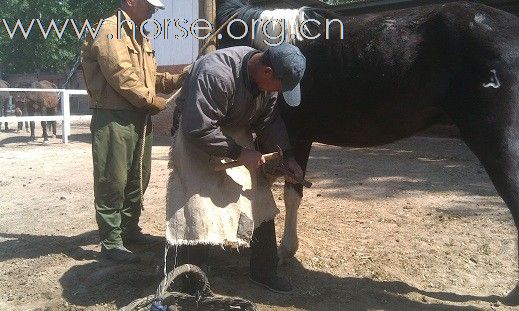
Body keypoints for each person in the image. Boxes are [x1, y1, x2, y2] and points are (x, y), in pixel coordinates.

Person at [167, 43, 306, 293]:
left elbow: (269, 120)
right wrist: (240, 153)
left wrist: (288, 157)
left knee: (259, 198)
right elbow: (198, 127)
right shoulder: (216, 73)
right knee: (199, 201)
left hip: (234, 130)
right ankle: (192, 276)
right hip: (196, 132)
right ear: (267, 73)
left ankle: (264, 270)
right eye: (280, 86)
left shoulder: (269, 82)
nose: (279, 92)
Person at [81, 0, 183, 263]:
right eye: (149, 5)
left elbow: (149, 78)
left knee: (138, 177)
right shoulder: (110, 30)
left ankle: (128, 230)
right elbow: (122, 77)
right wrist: (153, 101)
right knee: (112, 178)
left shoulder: (139, 35)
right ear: (130, 2)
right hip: (114, 117)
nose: (153, 10)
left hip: (139, 116)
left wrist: (178, 78)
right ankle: (112, 241)